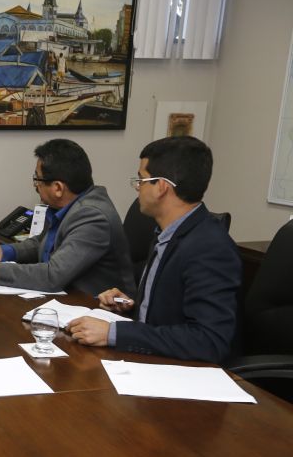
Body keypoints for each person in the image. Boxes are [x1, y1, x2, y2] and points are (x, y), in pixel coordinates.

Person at [66, 136, 241, 365]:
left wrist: (113, 333)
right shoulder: (166, 233)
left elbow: (209, 340)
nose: (137, 188)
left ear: (161, 187)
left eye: (141, 180)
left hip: (182, 379)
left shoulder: (210, 248)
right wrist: (130, 307)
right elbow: (171, 316)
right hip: (150, 362)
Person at [0, 139, 134, 297]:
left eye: (37, 180)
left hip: (95, 310)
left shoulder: (93, 217)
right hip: (70, 301)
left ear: (57, 188)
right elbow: (42, 244)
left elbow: (52, 275)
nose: (35, 186)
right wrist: (4, 252)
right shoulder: (70, 206)